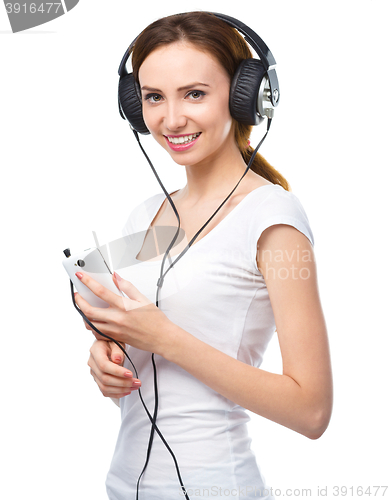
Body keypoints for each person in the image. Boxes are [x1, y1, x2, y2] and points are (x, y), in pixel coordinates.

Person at [74, 11, 333, 500]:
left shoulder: (273, 220)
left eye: (194, 93)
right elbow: (145, 366)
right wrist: (107, 358)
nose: (171, 119)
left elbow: (312, 411)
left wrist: (166, 338)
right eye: (153, 97)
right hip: (124, 487)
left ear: (244, 96)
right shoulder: (148, 216)